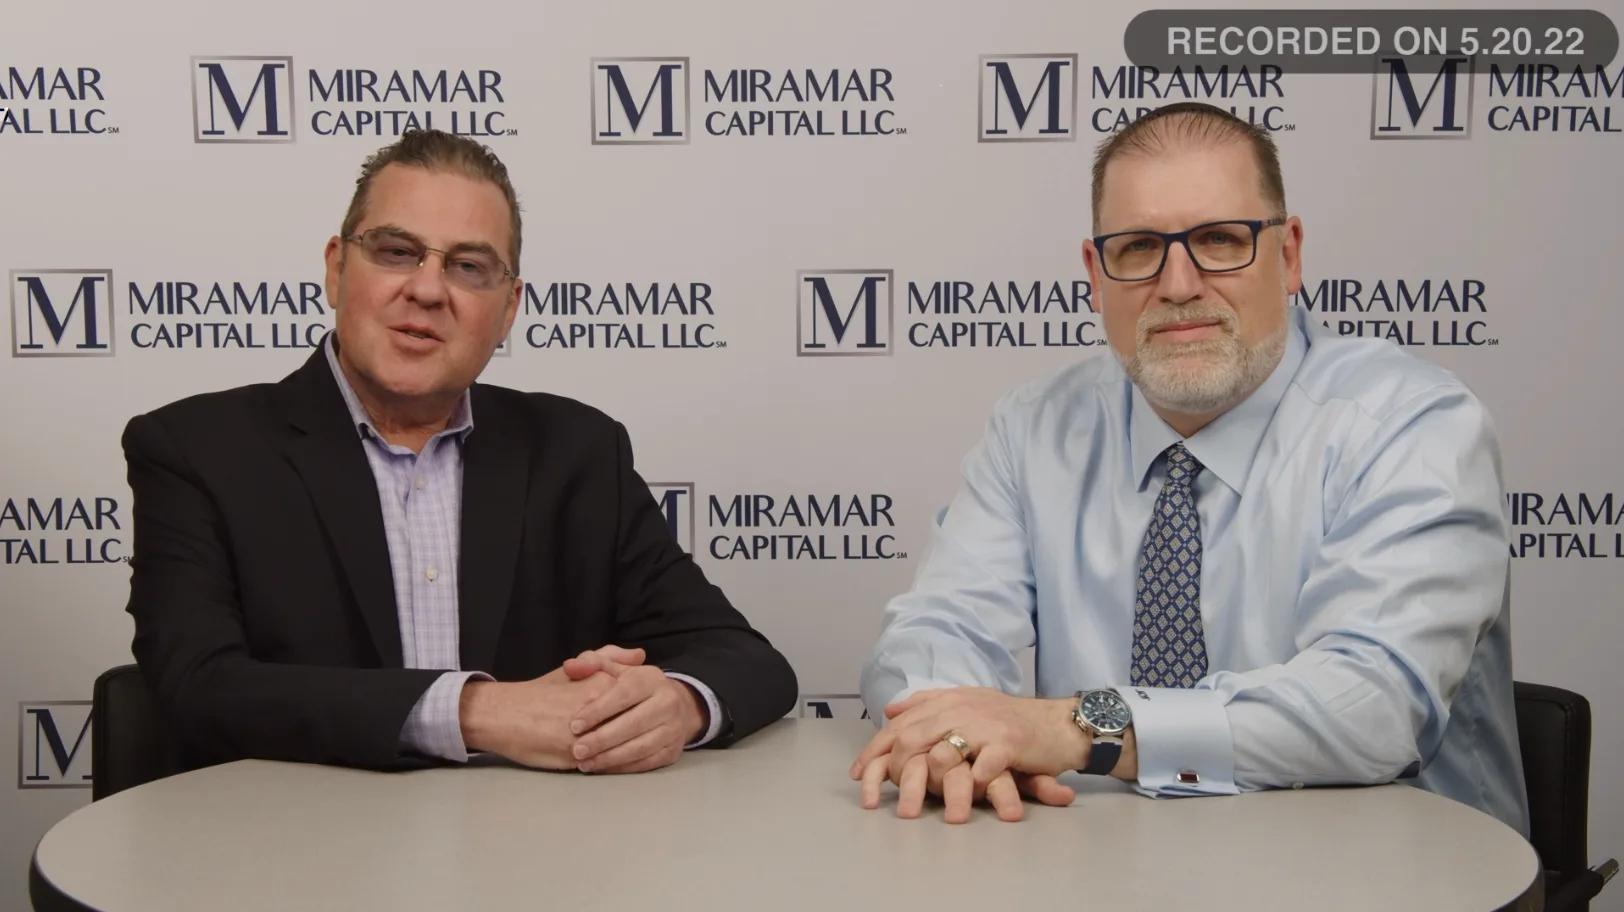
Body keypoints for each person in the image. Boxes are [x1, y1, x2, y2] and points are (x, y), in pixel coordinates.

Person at [851, 102, 1529, 835]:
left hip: (1390, 868)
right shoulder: (1035, 427)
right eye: (1139, 248)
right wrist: (953, 737)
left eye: (1219, 239)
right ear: (1096, 274)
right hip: (1095, 865)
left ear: (1289, 255)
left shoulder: (1412, 424)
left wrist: (1079, 727)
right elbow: (938, 626)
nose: (1178, 284)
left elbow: (1374, 705)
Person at [122, 128, 797, 775]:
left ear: (509, 309)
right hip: (288, 842)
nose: (427, 289)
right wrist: (476, 711)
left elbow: (746, 659)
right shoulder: (195, 450)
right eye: (396, 251)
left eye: (470, 267)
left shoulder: (579, 454)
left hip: (526, 845)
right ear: (336, 269)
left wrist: (677, 704)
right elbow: (199, 687)